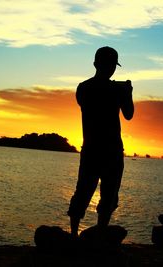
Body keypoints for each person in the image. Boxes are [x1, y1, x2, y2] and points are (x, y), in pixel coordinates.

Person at [67, 46, 134, 237]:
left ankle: (76, 236)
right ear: (97, 64)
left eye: (113, 65)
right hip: (107, 151)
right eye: (110, 64)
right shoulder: (112, 90)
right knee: (105, 194)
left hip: (94, 149)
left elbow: (125, 114)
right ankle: (97, 235)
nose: (111, 68)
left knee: (93, 192)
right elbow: (129, 114)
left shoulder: (84, 87)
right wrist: (126, 92)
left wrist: (122, 91)